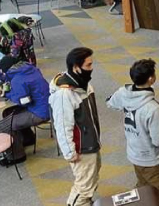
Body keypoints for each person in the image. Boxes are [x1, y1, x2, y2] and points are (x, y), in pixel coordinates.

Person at [107, 59, 159, 206]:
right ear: (151, 79)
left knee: (143, 189)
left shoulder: (123, 93)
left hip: (134, 153)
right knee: (158, 194)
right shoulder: (153, 109)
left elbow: (110, 103)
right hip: (153, 159)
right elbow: (158, 140)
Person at [49, 47, 102, 206]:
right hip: (81, 149)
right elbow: (62, 125)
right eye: (88, 65)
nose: (91, 68)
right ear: (76, 67)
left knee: (91, 180)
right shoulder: (64, 94)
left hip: (91, 142)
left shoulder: (83, 84)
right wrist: (70, 152)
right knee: (83, 188)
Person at [0, 55, 50, 165]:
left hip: (40, 112)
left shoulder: (18, 80)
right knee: (7, 113)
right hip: (47, 105)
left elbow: (24, 101)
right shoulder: (30, 69)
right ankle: (28, 138)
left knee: (6, 124)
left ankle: (16, 156)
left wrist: (7, 94)